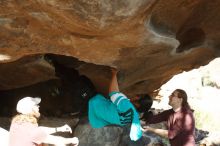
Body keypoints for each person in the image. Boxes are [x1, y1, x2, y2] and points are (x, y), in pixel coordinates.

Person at [88, 69, 142, 141]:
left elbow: (113, 92)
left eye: (138, 96)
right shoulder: (135, 116)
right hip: (97, 120)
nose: (136, 95)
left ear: (138, 104)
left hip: (93, 104)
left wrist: (114, 74)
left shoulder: (127, 105)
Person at [8, 96, 79, 146]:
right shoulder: (29, 128)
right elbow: (53, 139)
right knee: (59, 143)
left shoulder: (18, 122)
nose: (39, 106)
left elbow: (39, 130)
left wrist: (59, 129)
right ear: (31, 109)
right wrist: (72, 140)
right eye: (36, 105)